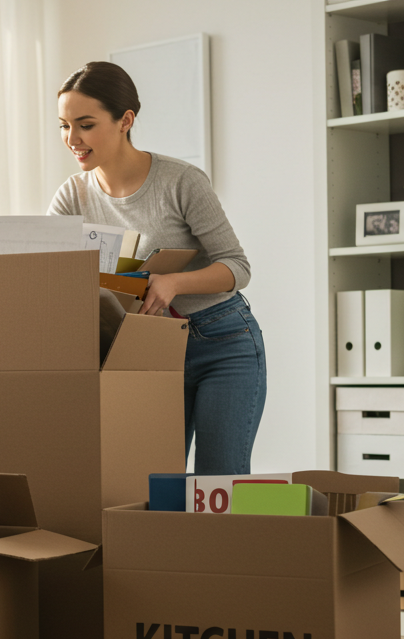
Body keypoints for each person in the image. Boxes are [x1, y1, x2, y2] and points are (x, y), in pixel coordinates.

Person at [50, 61, 266, 474]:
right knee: (152, 487)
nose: (72, 139)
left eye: (85, 124)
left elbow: (237, 266)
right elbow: (53, 279)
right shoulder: (71, 197)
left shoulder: (181, 181)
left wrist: (173, 283)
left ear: (125, 121)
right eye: (63, 126)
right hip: (147, 350)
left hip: (221, 341)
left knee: (214, 486)